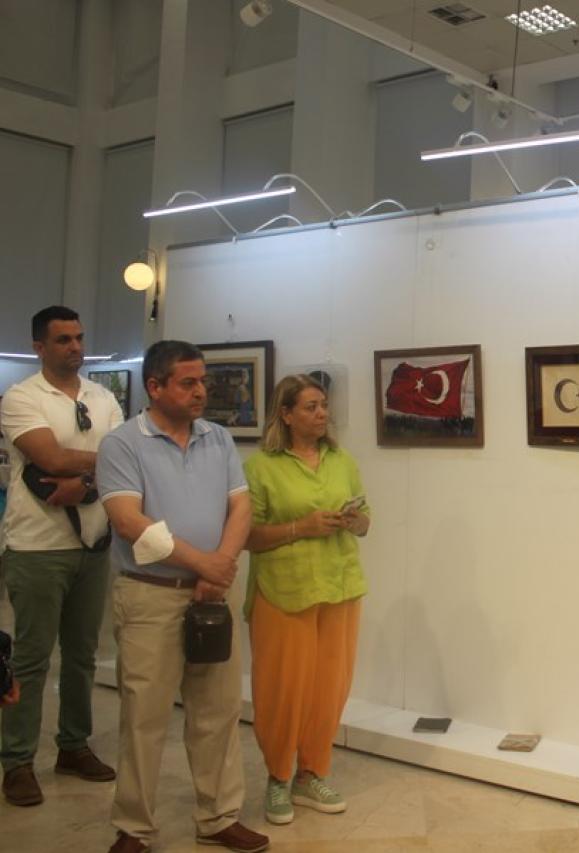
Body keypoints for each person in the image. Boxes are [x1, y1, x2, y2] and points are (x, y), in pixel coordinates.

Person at [96, 340, 269, 853]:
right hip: (150, 596)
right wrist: (204, 563)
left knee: (218, 710)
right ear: (154, 386)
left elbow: (241, 508)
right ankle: (134, 828)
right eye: (188, 383)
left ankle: (218, 817)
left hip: (211, 593)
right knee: (144, 717)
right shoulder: (123, 444)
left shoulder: (218, 438)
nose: (201, 392)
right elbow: (129, 522)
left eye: (203, 382)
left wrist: (220, 567)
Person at [1, 305, 122, 807]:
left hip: (92, 544)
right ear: (39, 347)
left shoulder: (103, 398)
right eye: (63, 340)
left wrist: (85, 482)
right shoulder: (22, 397)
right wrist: (103, 465)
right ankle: (17, 762)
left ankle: (73, 745)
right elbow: (48, 457)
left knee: (81, 655)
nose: (75, 347)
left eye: (79, 338)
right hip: (36, 547)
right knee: (32, 658)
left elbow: (125, 462)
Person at [243, 374, 369, 826]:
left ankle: (312, 773)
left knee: (329, 689)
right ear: (286, 414)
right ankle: (278, 776)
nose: (321, 414)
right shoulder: (261, 467)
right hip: (284, 591)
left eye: (323, 406)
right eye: (311, 407)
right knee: (282, 690)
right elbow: (248, 536)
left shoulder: (342, 460)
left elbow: (366, 522)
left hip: (340, 586)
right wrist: (302, 527)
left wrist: (353, 521)